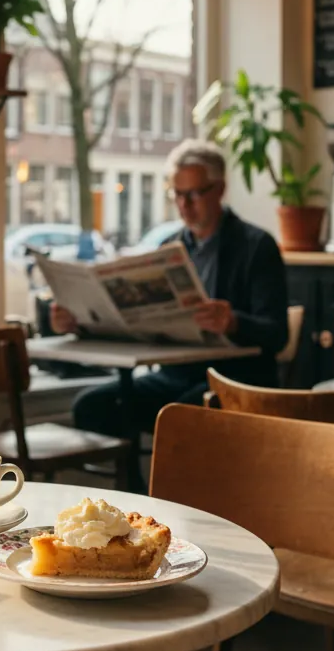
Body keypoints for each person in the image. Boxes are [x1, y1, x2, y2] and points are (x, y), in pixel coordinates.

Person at [52, 140, 289, 448]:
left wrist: (233, 323)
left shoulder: (256, 246)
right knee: (93, 407)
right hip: (175, 375)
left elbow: (277, 333)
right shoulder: (170, 249)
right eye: (177, 194)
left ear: (220, 189)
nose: (184, 205)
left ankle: (161, 491)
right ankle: (131, 490)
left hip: (233, 379)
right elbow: (141, 325)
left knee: (178, 416)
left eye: (193, 193)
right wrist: (81, 323)